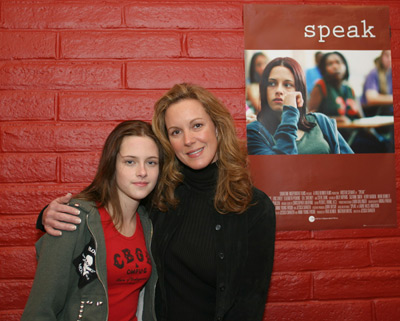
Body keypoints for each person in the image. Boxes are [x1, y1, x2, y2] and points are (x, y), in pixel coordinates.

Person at [36, 84, 276, 321]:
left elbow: (250, 303)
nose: (189, 140)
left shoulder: (254, 207)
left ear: (218, 128)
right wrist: (48, 215)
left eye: (197, 125)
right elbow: (108, 200)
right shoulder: (159, 194)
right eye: (175, 132)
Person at [23, 120, 161, 321]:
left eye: (151, 162)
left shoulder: (148, 222)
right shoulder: (73, 219)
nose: (142, 171)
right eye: (130, 161)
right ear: (111, 165)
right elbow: (39, 311)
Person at [247, 56, 353, 155]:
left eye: (287, 85)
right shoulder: (255, 131)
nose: (278, 90)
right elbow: (279, 167)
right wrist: (289, 113)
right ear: (264, 90)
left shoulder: (320, 121)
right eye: (272, 84)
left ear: (299, 91)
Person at [308, 51, 363, 124]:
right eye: (330, 64)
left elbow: (361, 117)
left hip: (355, 132)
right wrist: (335, 119)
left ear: (345, 65)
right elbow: (309, 117)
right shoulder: (320, 86)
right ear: (324, 69)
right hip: (331, 134)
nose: (335, 66)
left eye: (338, 62)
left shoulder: (349, 89)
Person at [361, 50, 393, 117]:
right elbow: (371, 98)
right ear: (381, 57)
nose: (390, 58)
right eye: (387, 55)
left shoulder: (391, 73)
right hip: (373, 113)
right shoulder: (373, 73)